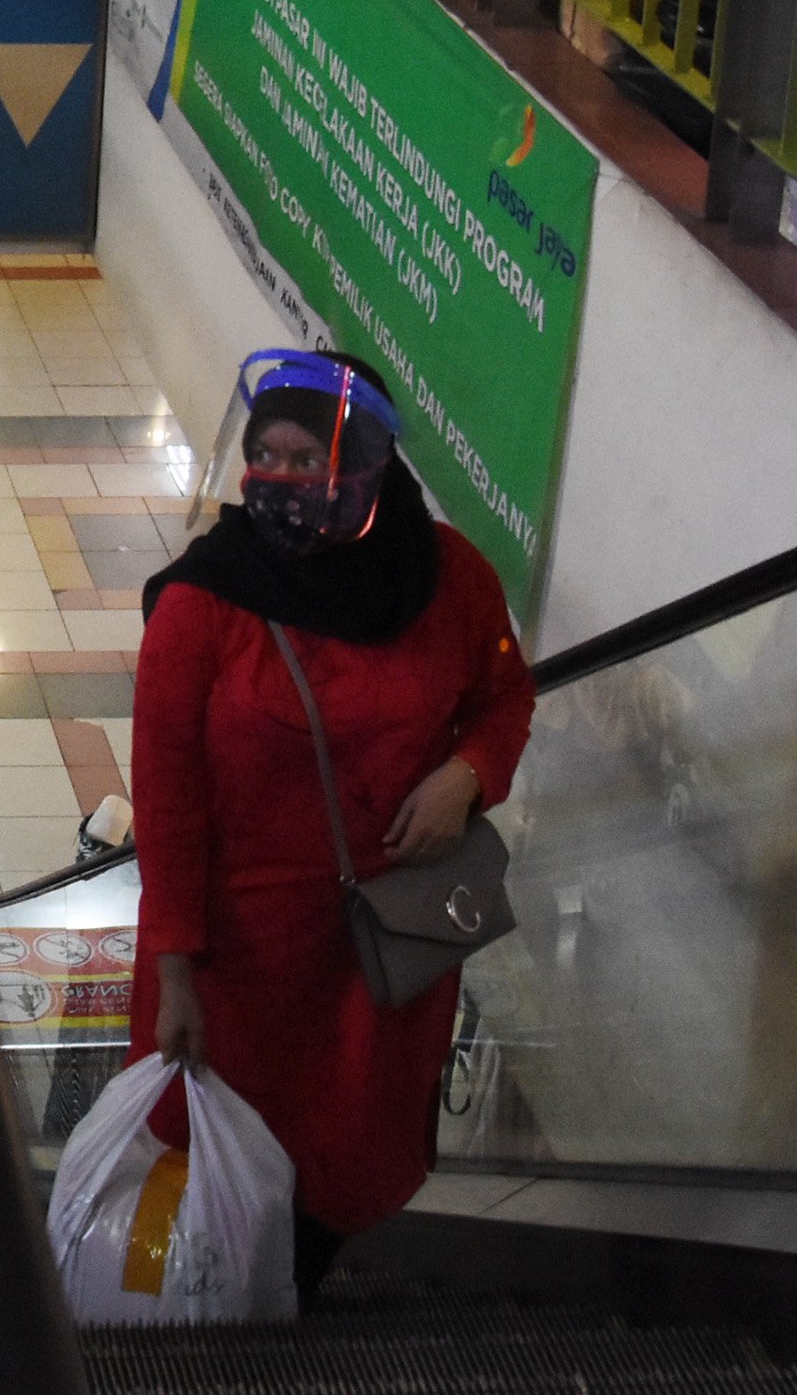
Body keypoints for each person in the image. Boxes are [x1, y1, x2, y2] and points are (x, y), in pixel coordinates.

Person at [130, 349, 534, 1302]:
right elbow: (168, 798)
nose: (279, 483)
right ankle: (207, 1315)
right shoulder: (201, 606)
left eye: (305, 459)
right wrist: (176, 974)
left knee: (343, 1153)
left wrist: (467, 778)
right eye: (263, 455)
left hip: (379, 953)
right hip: (240, 961)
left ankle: (292, 1300)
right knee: (221, 1159)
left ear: (369, 467)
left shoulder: (448, 579)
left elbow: (503, 695)